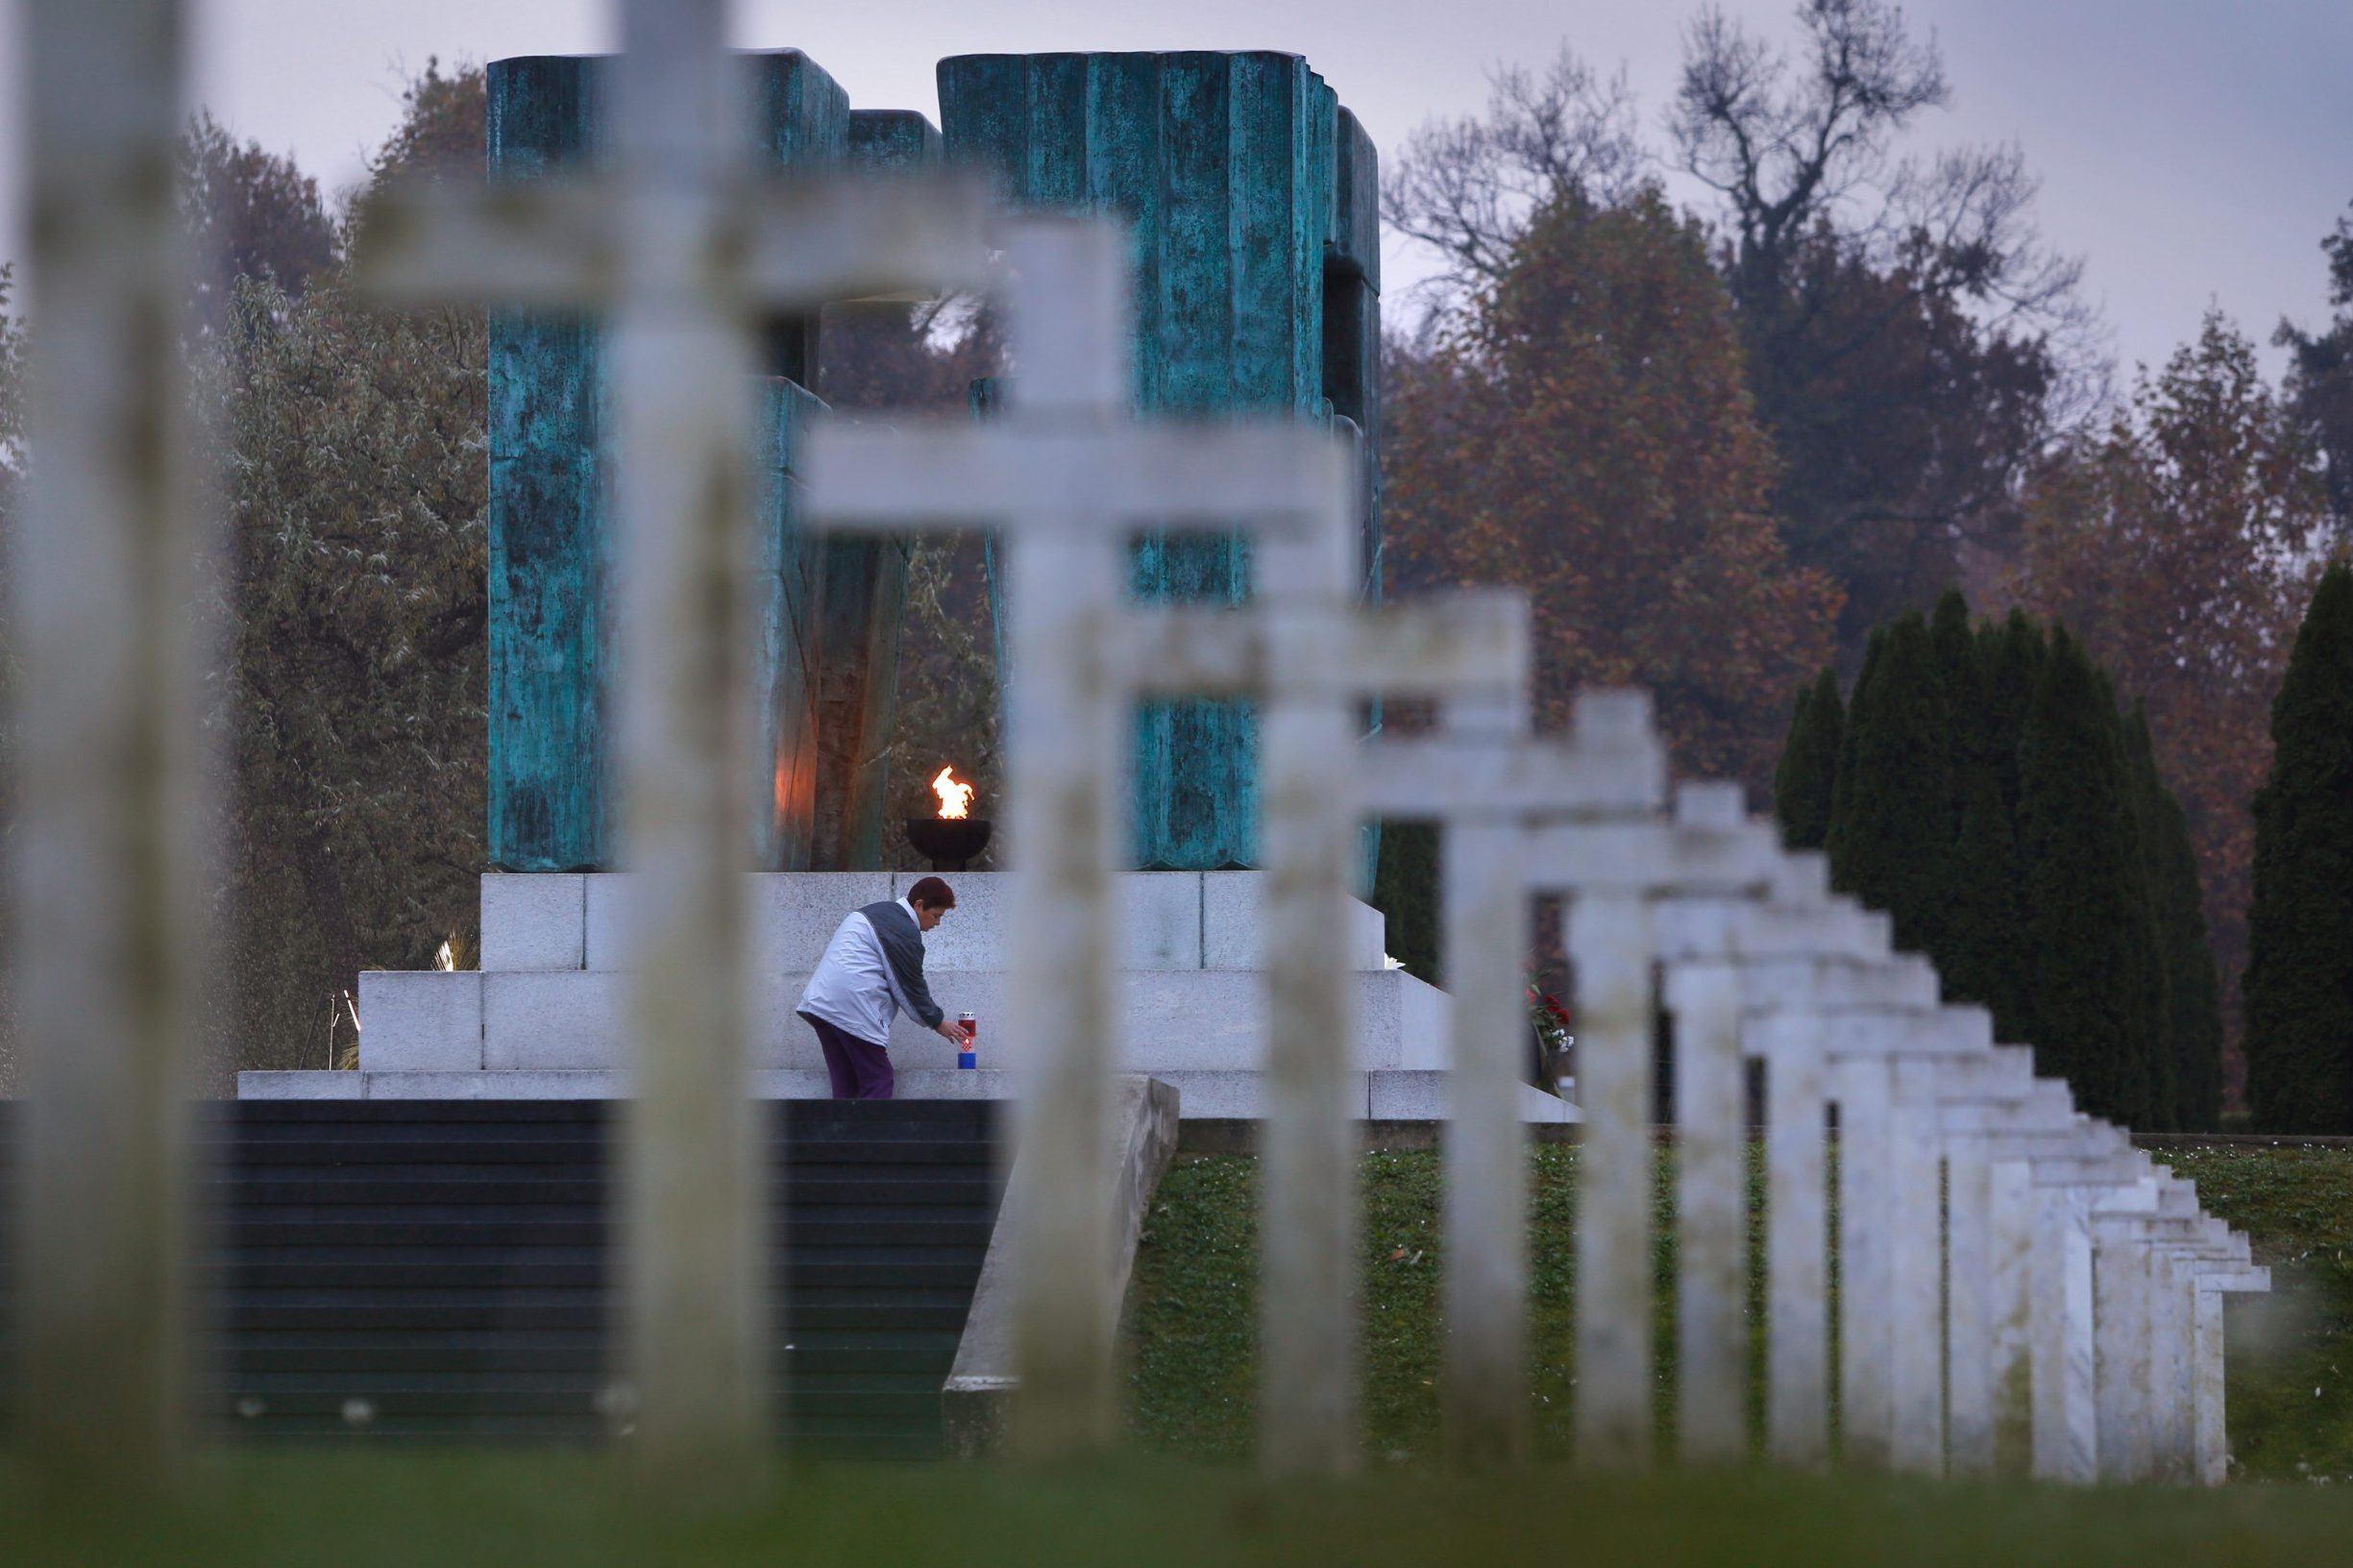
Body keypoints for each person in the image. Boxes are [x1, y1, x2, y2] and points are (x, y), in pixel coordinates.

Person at [797, 875, 968, 1101]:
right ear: (919, 905)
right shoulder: (903, 930)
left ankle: (840, 1135)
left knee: (845, 1083)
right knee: (879, 1080)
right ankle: (873, 1136)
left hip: (821, 1005)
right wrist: (937, 1022)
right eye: (936, 915)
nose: (937, 923)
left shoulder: (876, 912)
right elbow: (910, 986)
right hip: (853, 1007)